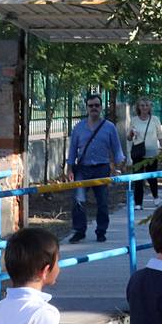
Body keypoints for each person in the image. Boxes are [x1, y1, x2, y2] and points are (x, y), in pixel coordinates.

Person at [65, 94, 125, 243]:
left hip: (101, 168)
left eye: (97, 105)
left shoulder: (109, 127)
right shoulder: (78, 127)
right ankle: (79, 231)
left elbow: (117, 149)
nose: (94, 108)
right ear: (86, 108)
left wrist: (119, 166)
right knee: (78, 200)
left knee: (102, 202)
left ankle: (101, 231)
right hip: (83, 169)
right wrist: (69, 168)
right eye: (91, 106)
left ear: (101, 107)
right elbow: (72, 149)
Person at [127, 96, 162, 210]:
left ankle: (155, 196)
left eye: (147, 105)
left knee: (152, 176)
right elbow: (128, 138)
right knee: (138, 178)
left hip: (152, 153)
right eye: (142, 105)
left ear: (150, 107)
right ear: (138, 107)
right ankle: (138, 203)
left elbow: (160, 136)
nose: (144, 108)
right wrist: (132, 134)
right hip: (138, 153)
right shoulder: (134, 120)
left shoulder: (155, 119)